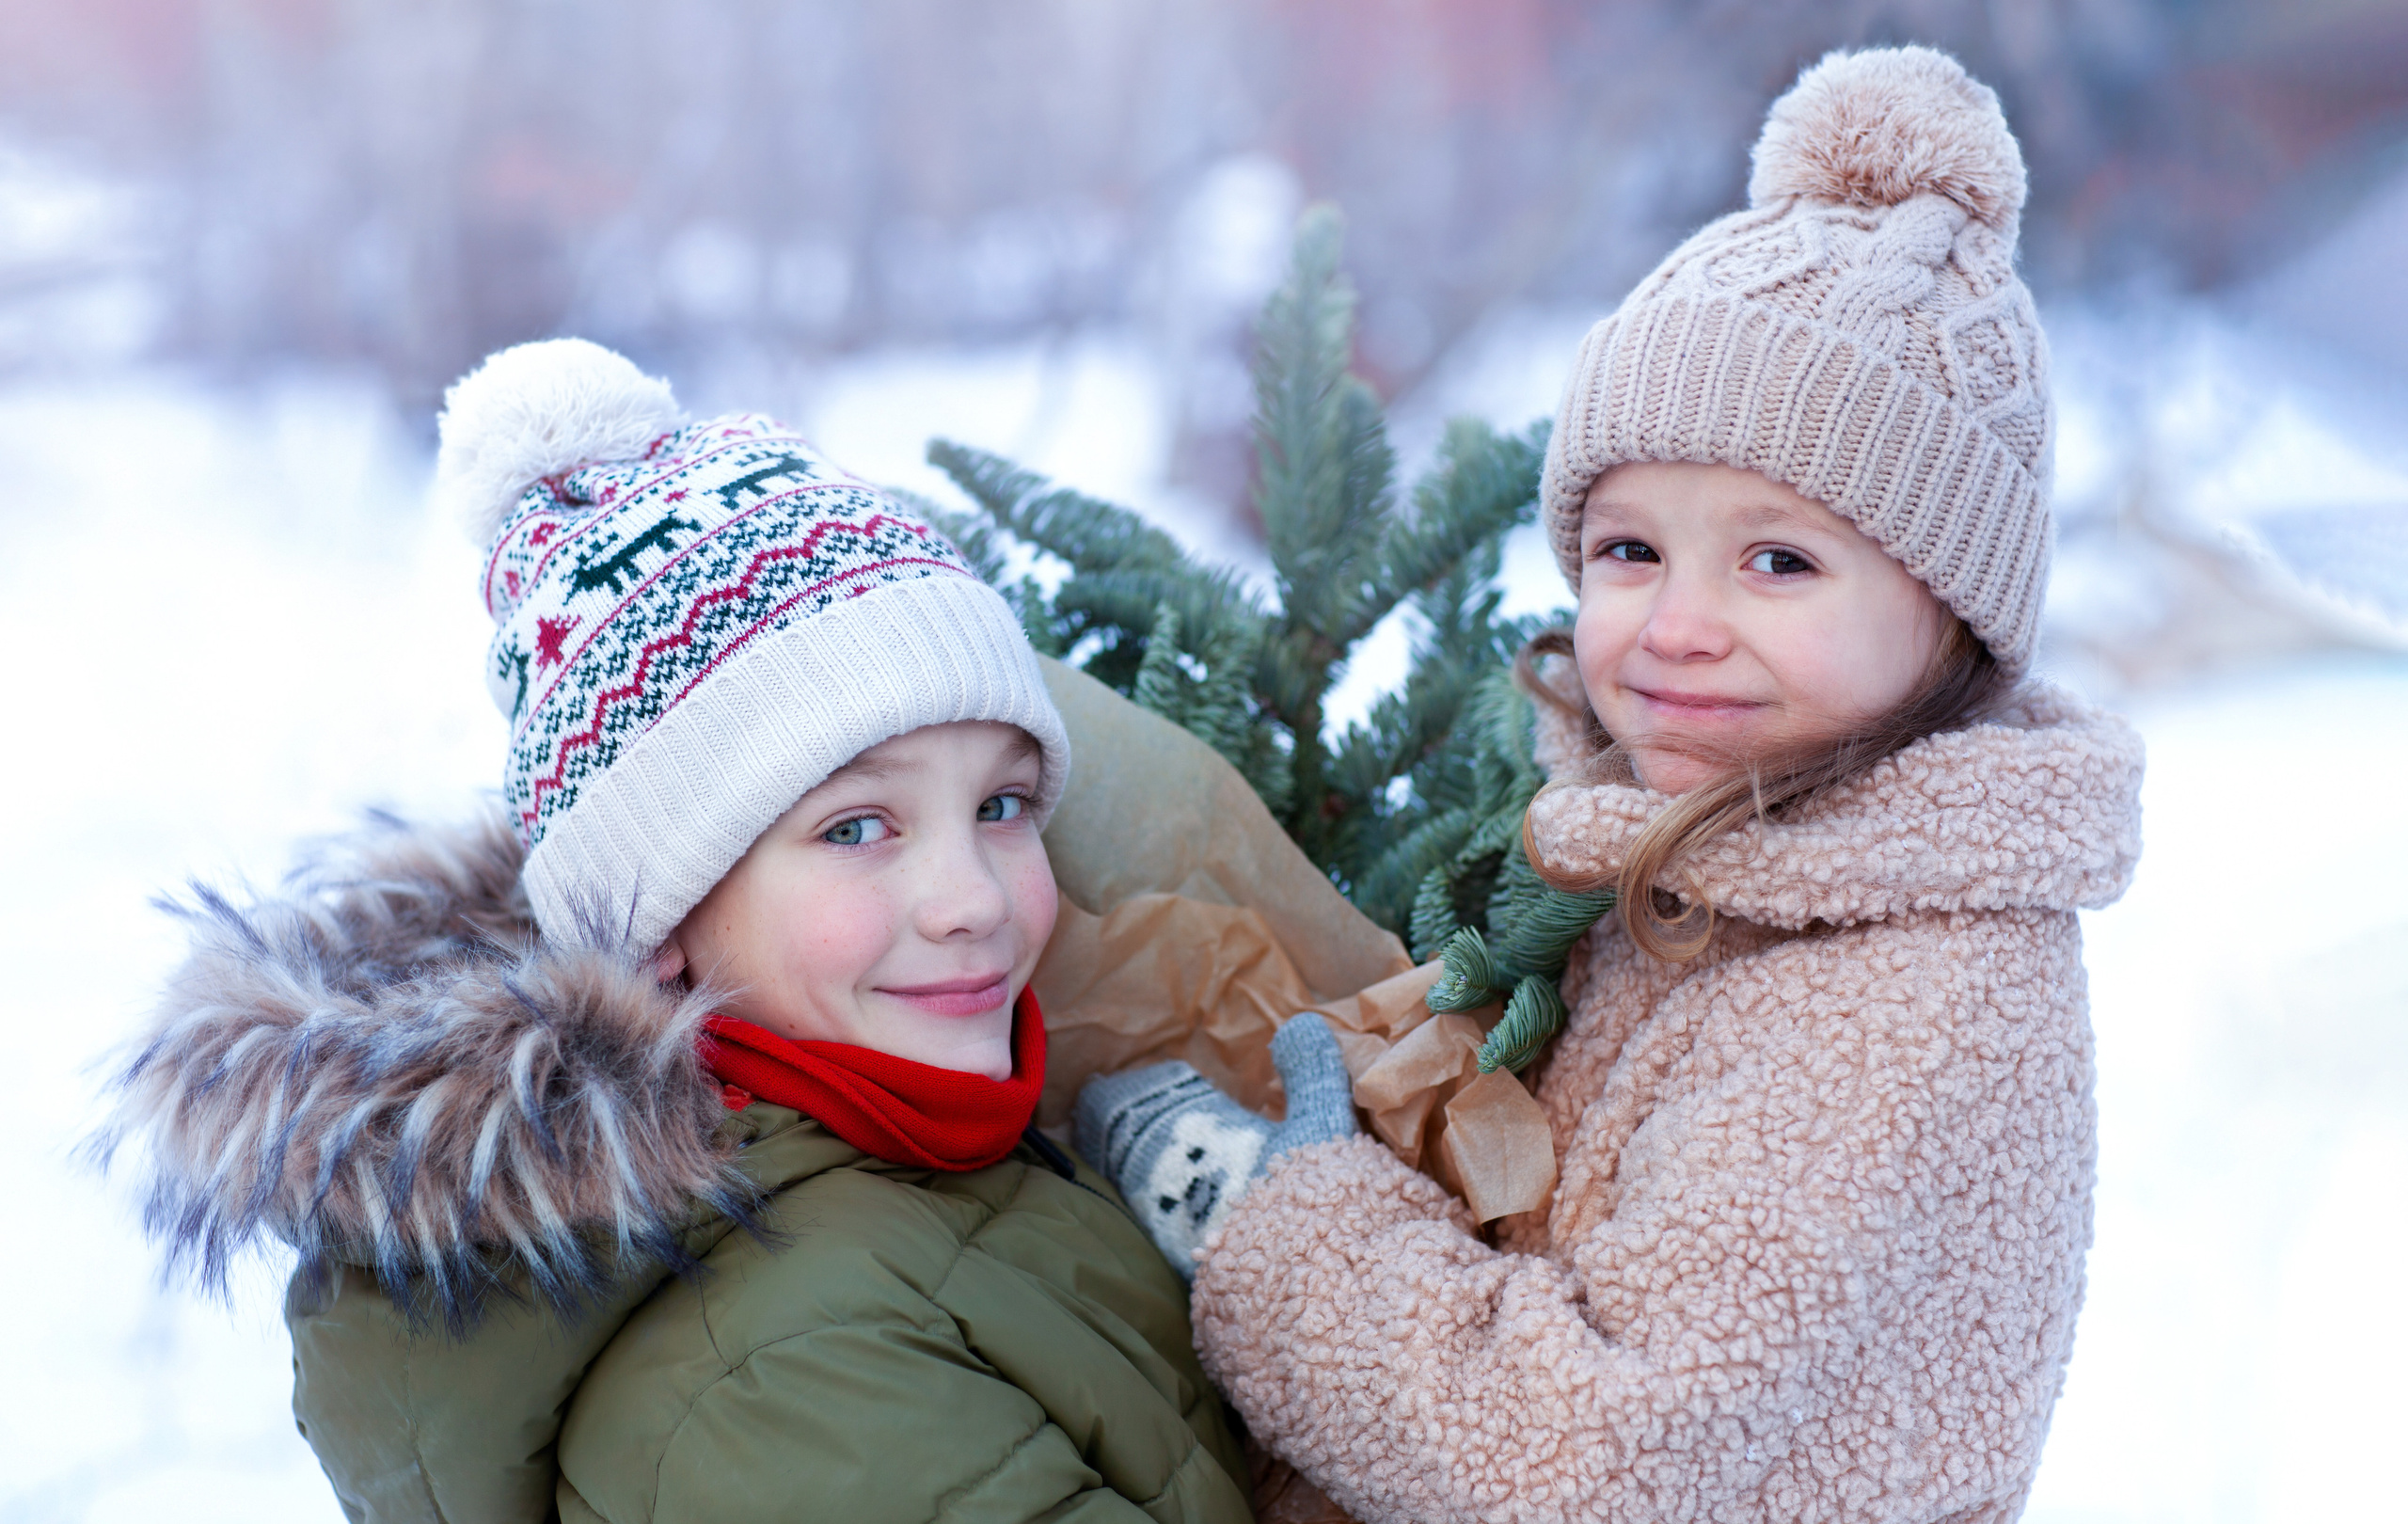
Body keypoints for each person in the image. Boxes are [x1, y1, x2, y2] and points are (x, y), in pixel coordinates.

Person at [1077, 46, 2145, 1523]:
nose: (1679, 623)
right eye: (1631, 550)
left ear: (1952, 610)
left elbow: (1591, 1451)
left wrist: (1281, 1224)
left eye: (1780, 559)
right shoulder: (1716, 870)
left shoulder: (1900, 997)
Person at [101, 340, 1251, 1524]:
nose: (975, 897)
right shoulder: (787, 1386)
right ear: (657, 924)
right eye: (858, 827)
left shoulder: (930, 1124)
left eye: (1000, 806)